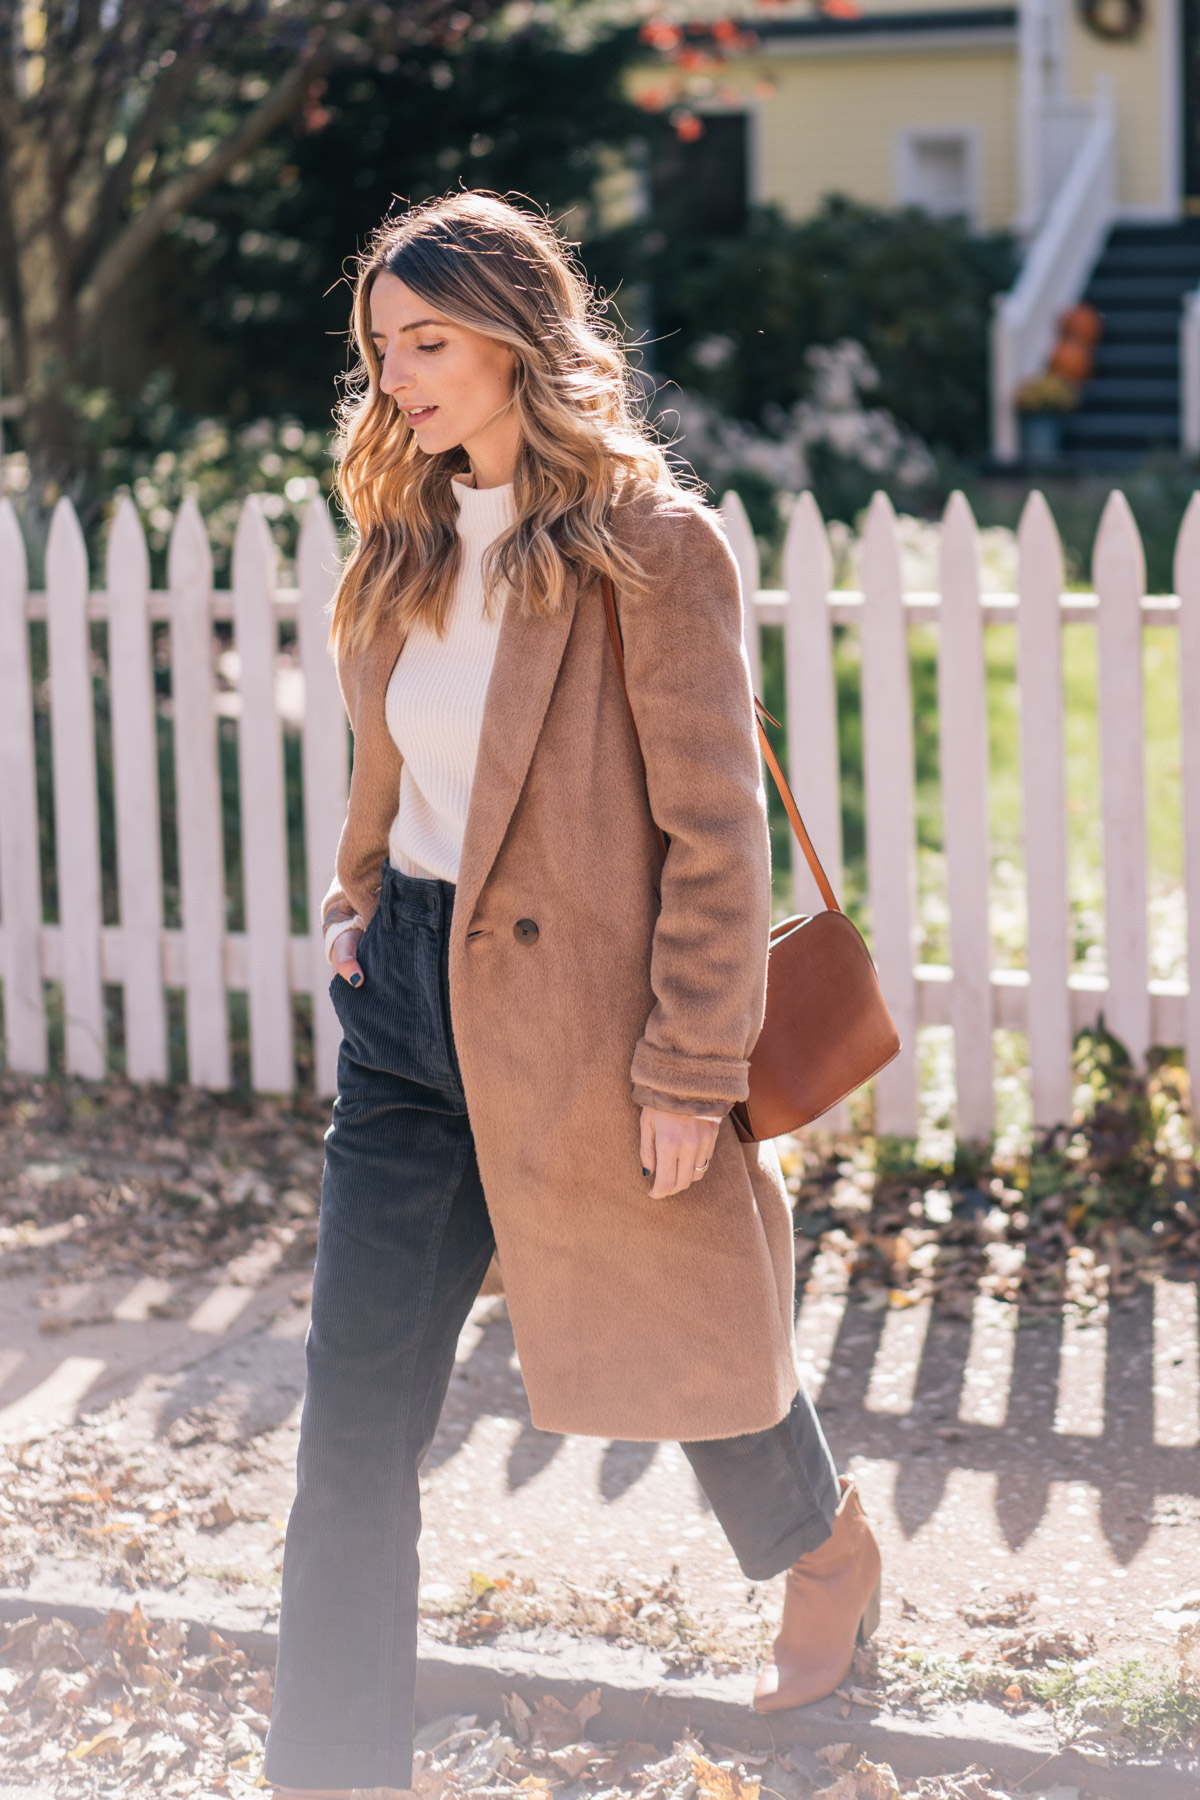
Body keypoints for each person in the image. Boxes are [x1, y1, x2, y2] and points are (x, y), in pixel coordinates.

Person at [265, 191, 880, 1800]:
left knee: (678, 1337)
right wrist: (356, 898)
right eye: (382, 347)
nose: (398, 376)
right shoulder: (401, 537)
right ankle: (329, 1775)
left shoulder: (651, 546)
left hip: (595, 1027)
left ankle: (824, 1546)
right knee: (351, 1430)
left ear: (518, 337)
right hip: (408, 1010)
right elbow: (397, 758)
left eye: (431, 341)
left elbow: (714, 828)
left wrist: (692, 1066)